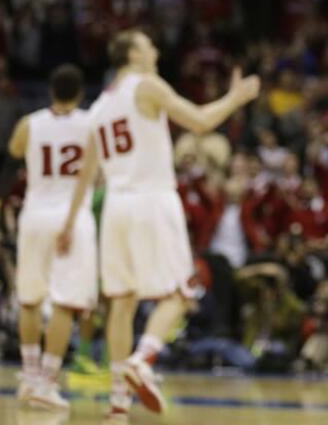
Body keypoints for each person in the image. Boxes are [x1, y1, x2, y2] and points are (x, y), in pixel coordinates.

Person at [58, 29, 260, 422]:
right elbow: (200, 122)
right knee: (182, 292)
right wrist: (237, 98)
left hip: (116, 206)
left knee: (121, 301)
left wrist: (71, 221)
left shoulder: (99, 106)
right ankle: (143, 358)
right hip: (152, 199)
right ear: (132, 53)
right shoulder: (146, 85)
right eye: (148, 44)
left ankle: (118, 401)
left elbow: (86, 172)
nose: (155, 49)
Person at [0, 64, 96, 412]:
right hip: (70, 217)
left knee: (29, 298)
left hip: (34, 215)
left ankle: (28, 376)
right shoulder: (91, 124)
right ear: (81, 92)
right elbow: (92, 174)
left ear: (50, 91)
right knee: (64, 302)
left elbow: (10, 165)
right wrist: (72, 222)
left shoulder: (29, 123)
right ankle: (47, 380)